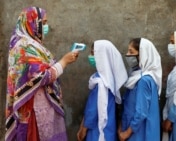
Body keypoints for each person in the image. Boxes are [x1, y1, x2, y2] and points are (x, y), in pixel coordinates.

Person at [5, 6, 79, 141]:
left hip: (41, 106)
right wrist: (64, 62)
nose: (46, 26)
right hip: (33, 109)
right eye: (43, 23)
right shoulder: (24, 46)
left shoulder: (33, 45)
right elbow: (41, 77)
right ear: (32, 23)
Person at [76, 40, 128, 141]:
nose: (90, 56)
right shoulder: (108, 80)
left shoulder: (101, 83)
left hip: (97, 132)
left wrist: (83, 129)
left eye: (93, 53)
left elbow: (93, 110)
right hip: (108, 129)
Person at [118, 38, 162, 141]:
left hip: (139, 134)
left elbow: (141, 112)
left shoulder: (143, 80)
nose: (128, 55)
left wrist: (127, 133)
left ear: (142, 55)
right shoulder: (136, 76)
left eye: (131, 52)